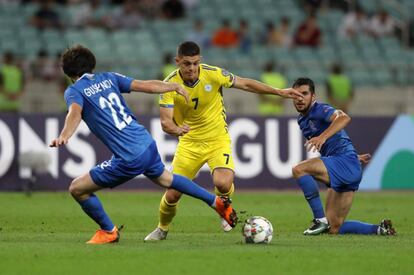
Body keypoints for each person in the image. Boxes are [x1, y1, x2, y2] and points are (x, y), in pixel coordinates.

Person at [49, 45, 238, 244]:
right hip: (146, 143)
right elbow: (146, 86)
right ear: (91, 65)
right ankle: (216, 202)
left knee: (77, 188)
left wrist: (64, 135)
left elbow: (74, 113)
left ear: (68, 72)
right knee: (168, 180)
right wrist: (172, 86)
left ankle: (108, 231)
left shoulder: (74, 90)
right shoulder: (109, 77)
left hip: (129, 156)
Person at [144, 41, 302, 241]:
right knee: (173, 194)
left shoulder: (214, 74)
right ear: (177, 62)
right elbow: (166, 122)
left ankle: (224, 208)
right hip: (189, 143)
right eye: (186, 64)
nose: (191, 68)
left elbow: (245, 83)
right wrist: (176, 129)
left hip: (217, 138)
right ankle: (162, 228)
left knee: (223, 182)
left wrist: (278, 92)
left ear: (200, 60)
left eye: (194, 63)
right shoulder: (169, 85)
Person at [291, 77, 396, 236]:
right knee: (334, 228)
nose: (299, 98)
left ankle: (319, 219)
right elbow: (337, 140)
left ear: (313, 97)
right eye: (295, 95)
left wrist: (322, 137)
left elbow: (344, 117)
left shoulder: (319, 109)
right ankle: (380, 230)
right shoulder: (302, 120)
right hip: (348, 164)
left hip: (344, 162)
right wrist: (355, 157)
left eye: (304, 94)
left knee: (299, 170)